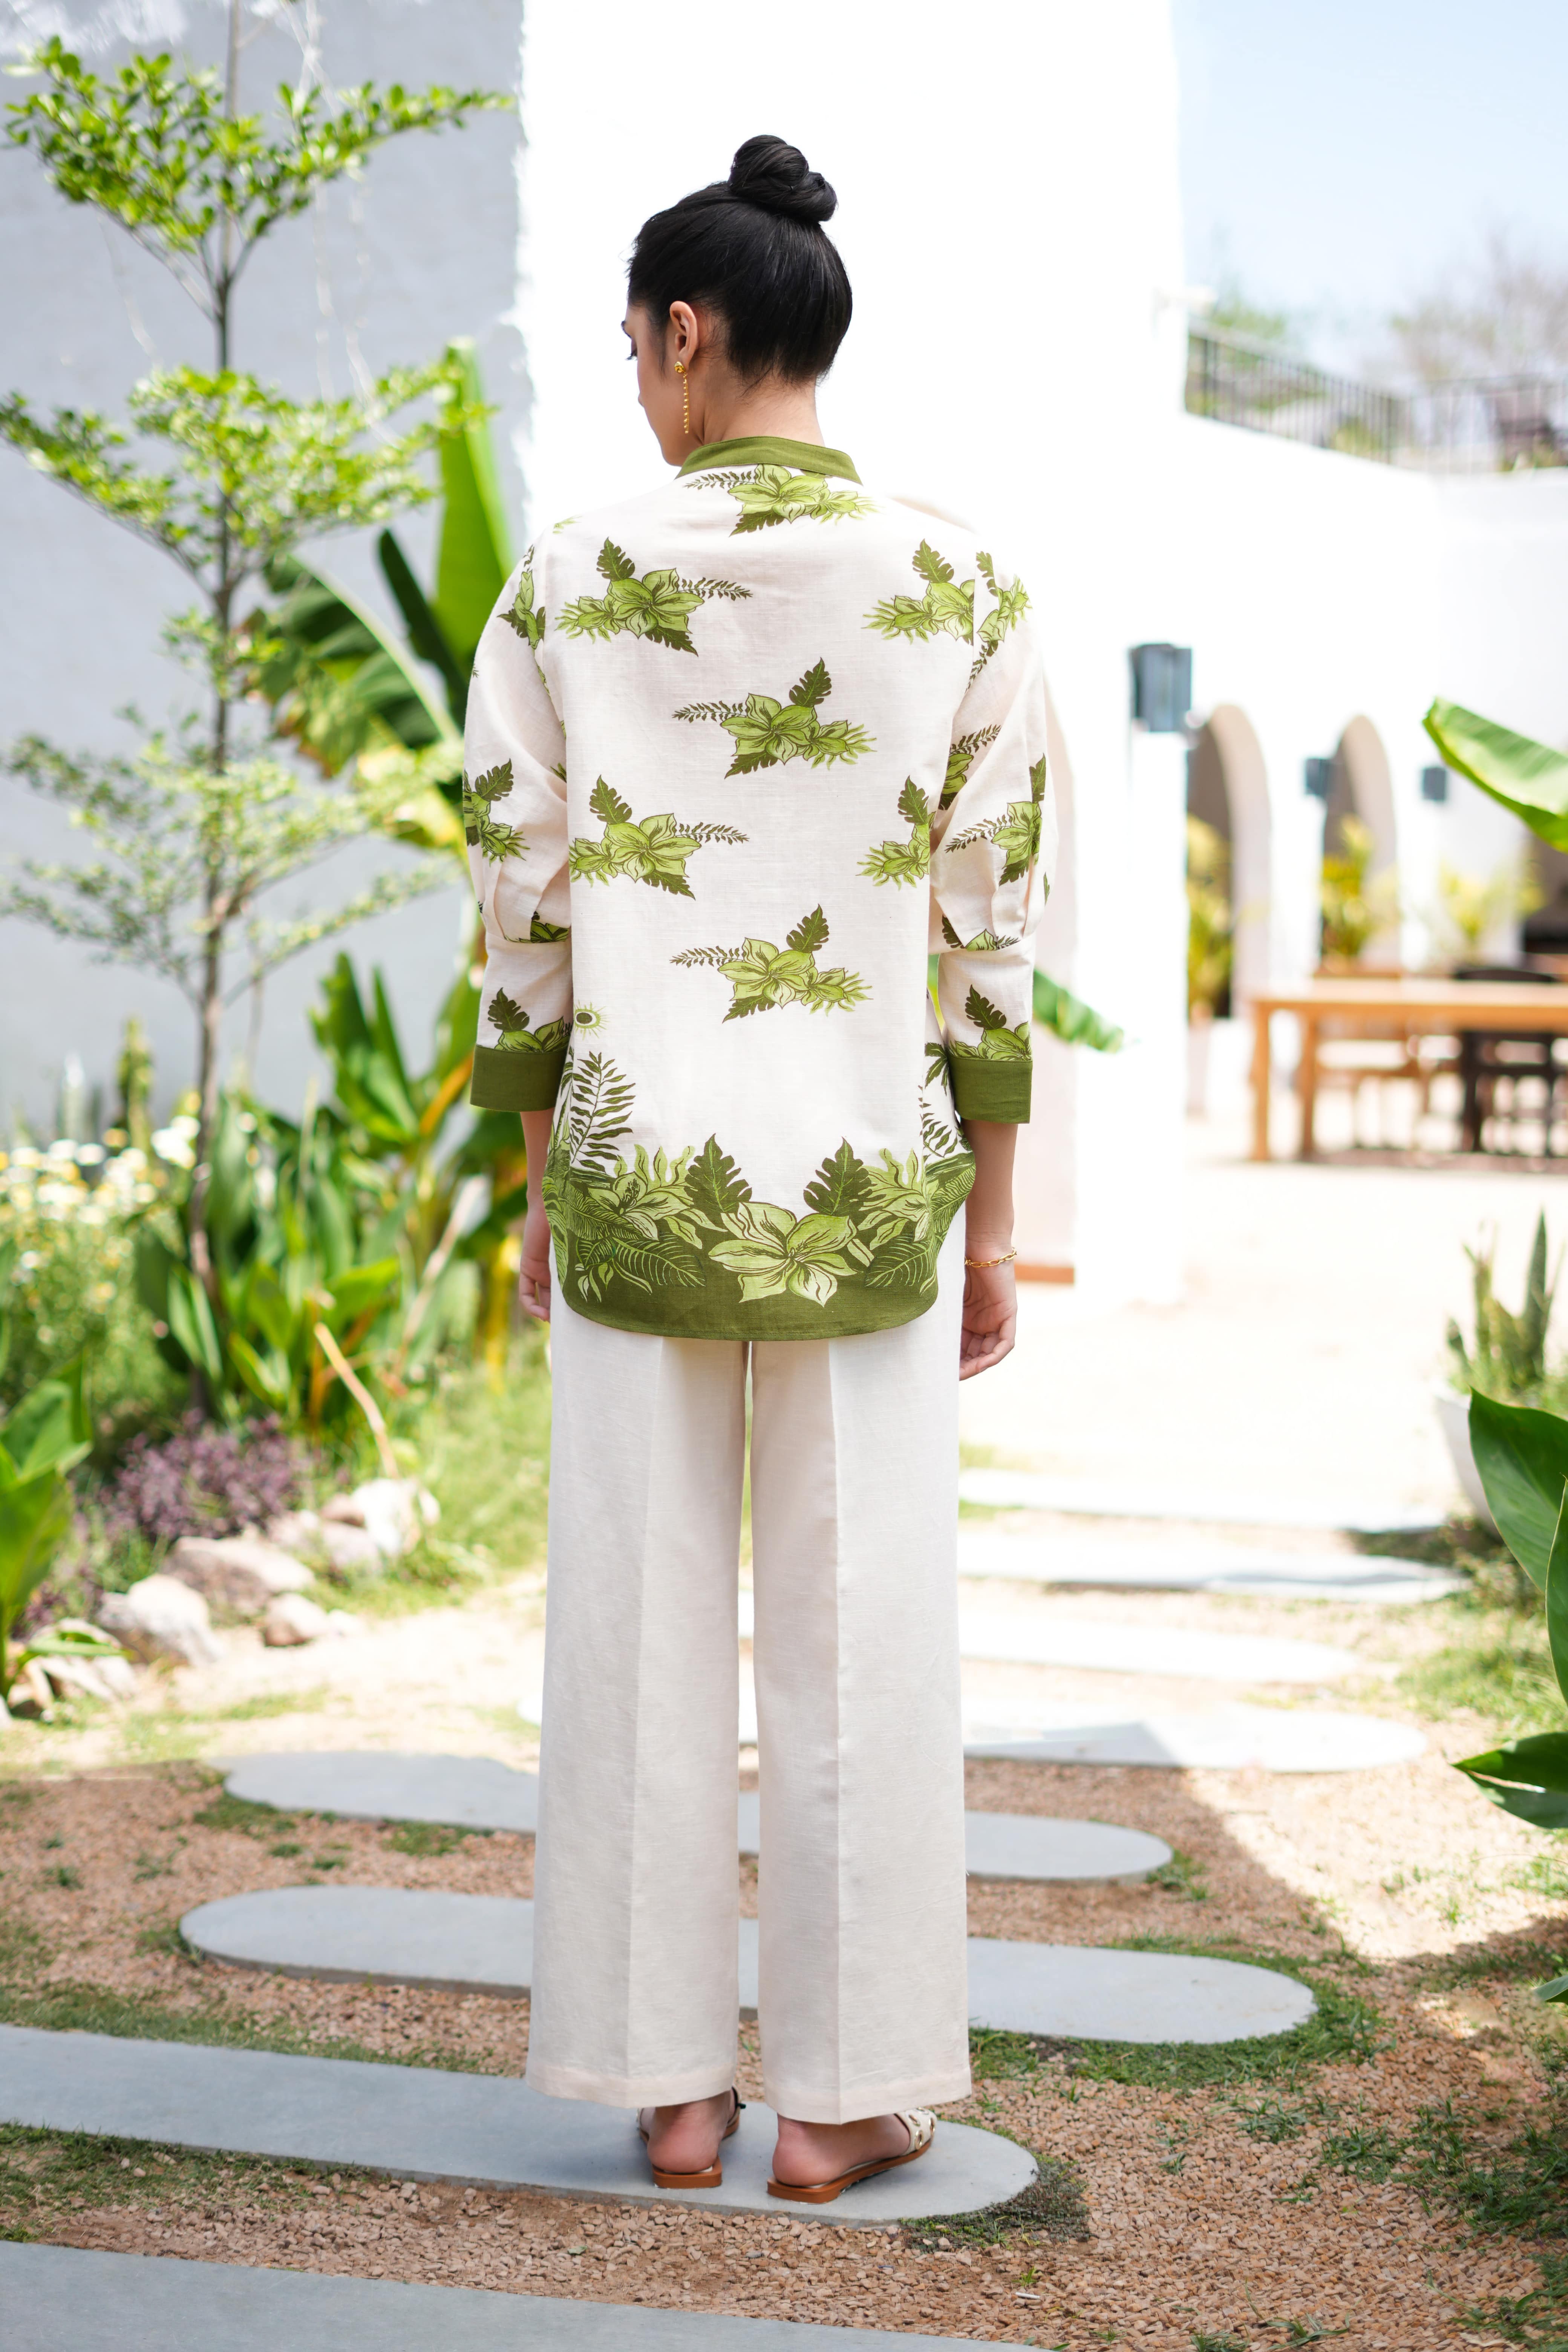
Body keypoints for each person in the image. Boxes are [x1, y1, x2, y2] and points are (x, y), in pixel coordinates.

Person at [464, 133, 1052, 2204]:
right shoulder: (961, 584)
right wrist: (997, 1225)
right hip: (871, 1196)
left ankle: (668, 2089)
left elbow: (523, 902)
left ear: (689, 334)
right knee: (859, 1632)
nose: (637, 383)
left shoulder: (568, 580)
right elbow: (992, 927)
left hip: (641, 1183)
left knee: (634, 1632)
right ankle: (838, 2099)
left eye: (635, 348)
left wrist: (543, 1179)